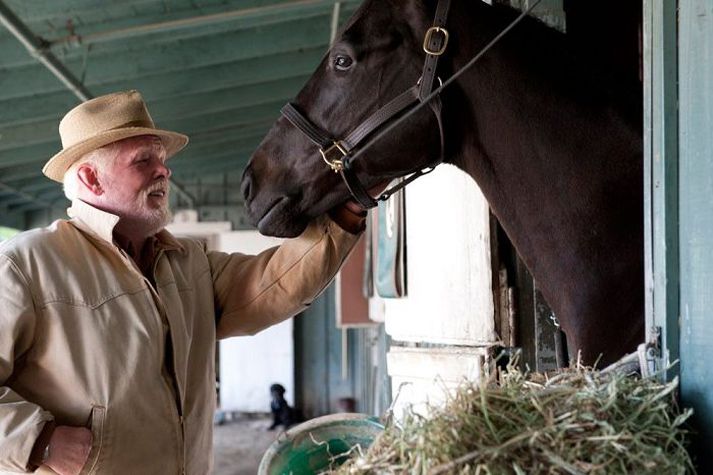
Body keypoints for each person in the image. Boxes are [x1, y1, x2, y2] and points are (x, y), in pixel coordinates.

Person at [0, 90, 367, 474]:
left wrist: (349, 210)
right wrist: (38, 442)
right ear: (91, 178)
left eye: (161, 158)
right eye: (144, 160)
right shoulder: (28, 264)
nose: (164, 170)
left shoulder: (187, 262)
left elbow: (276, 284)